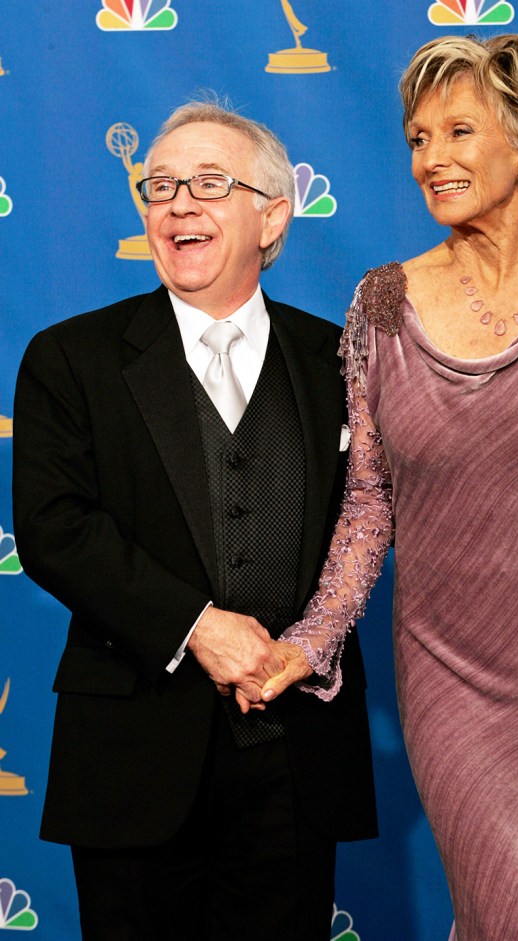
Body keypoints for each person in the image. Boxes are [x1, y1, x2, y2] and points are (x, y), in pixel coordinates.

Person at [258, 35, 518, 941]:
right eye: (417, 138)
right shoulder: (382, 306)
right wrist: (313, 637)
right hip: (449, 672)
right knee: (508, 907)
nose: (430, 159)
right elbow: (372, 502)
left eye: (457, 132)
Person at [12, 100, 378, 941]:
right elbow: (55, 527)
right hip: (133, 756)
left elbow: (382, 512)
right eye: (161, 186)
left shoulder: (343, 360)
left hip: (296, 756)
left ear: (273, 214)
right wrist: (196, 626)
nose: (178, 204)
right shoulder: (71, 357)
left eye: (209, 184)